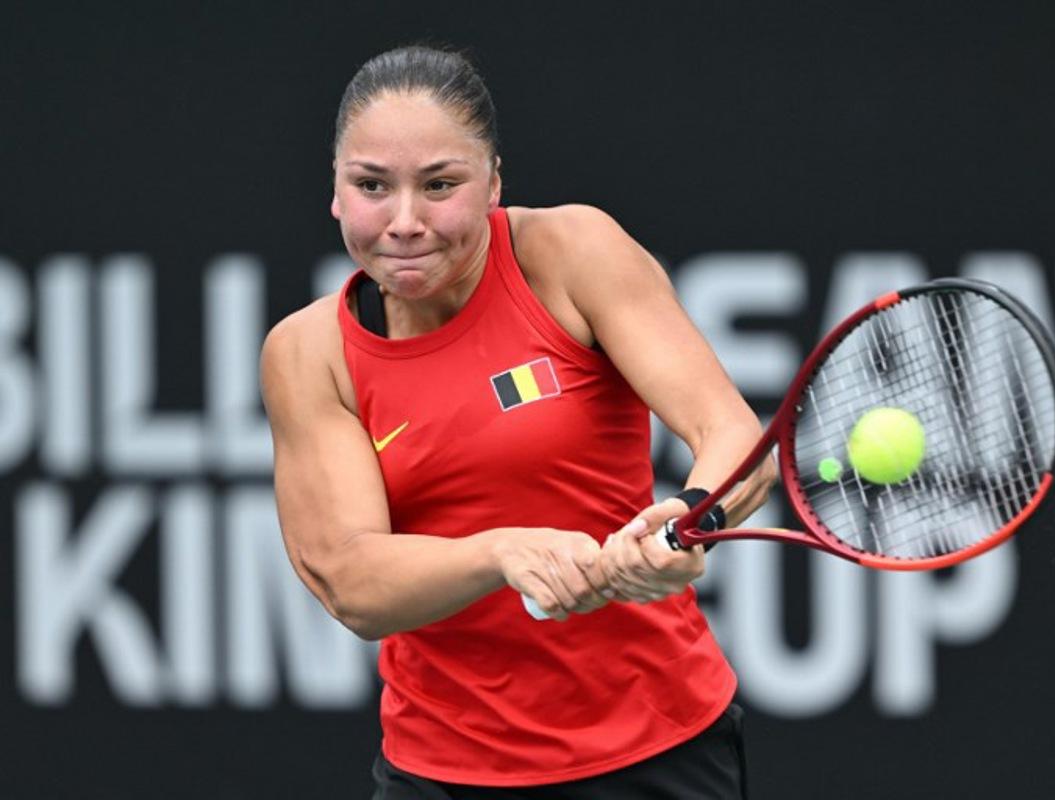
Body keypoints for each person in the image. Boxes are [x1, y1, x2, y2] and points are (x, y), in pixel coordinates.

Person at [261, 44, 775, 799]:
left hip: (656, 749)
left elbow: (734, 438)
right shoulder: (308, 353)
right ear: (336, 190)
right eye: (372, 185)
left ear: (494, 184)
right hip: (440, 771)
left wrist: (691, 515)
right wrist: (500, 552)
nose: (405, 221)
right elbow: (352, 582)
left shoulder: (572, 253)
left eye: (440, 185)